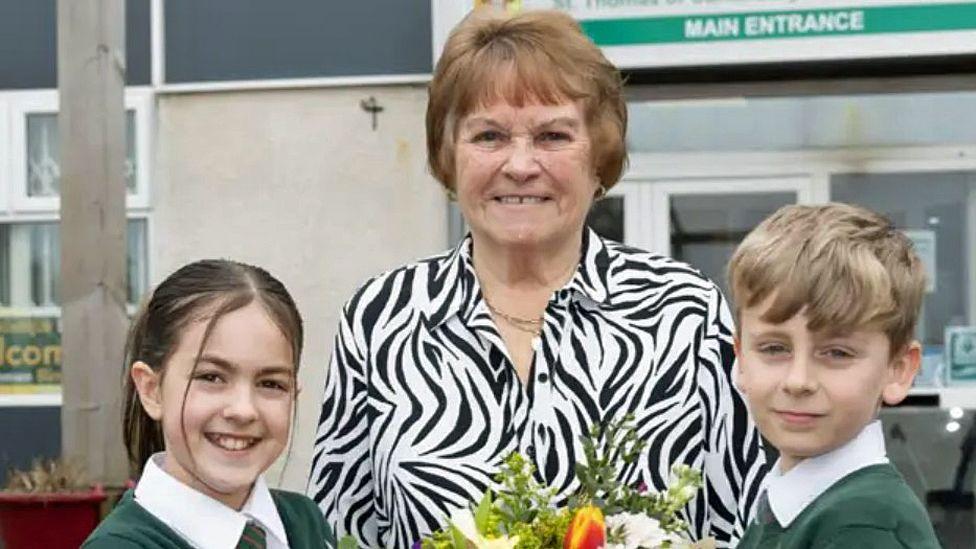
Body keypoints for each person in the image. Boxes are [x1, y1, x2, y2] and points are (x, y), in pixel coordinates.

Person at [308, 9, 765, 548]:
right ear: (448, 157)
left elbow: (740, 527)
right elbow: (340, 534)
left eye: (552, 136)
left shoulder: (682, 312)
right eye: (489, 136)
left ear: (599, 157)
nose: (521, 165)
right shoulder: (381, 317)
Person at [729, 204, 941, 548]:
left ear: (898, 369)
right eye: (773, 348)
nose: (798, 381)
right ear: (741, 358)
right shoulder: (793, 503)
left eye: (837, 353)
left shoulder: (865, 529)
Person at [84, 259, 334, 549]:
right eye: (212, 377)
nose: (243, 410)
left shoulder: (305, 522)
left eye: (270, 383)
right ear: (151, 390)